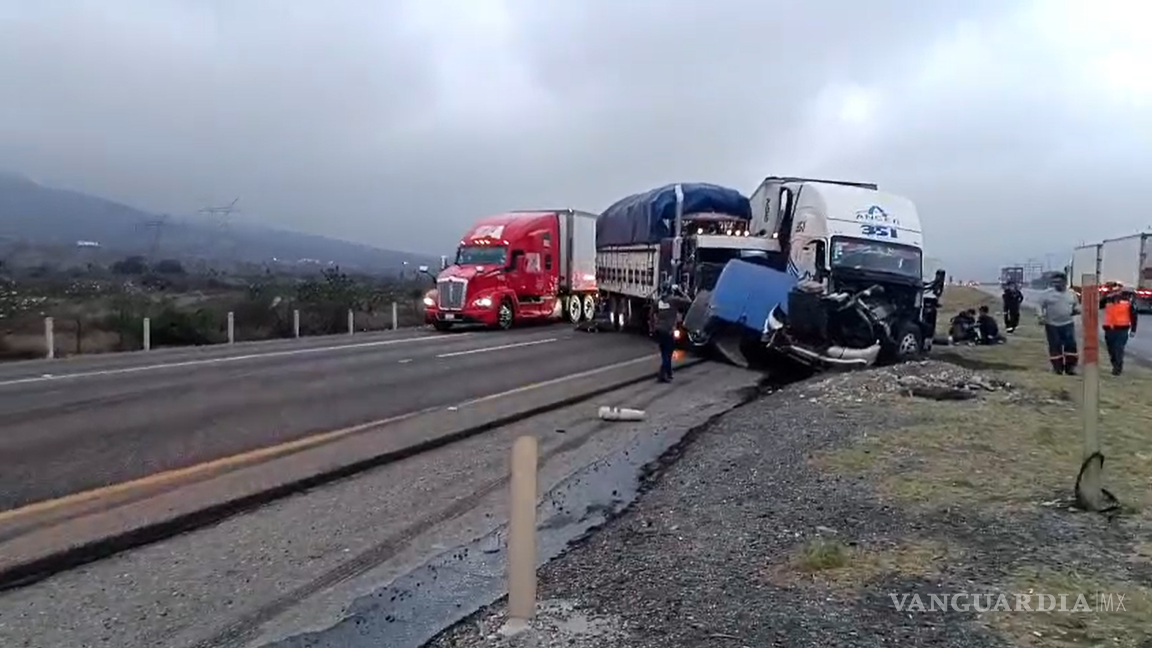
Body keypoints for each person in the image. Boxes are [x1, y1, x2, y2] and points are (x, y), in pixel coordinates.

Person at [1037, 272, 1081, 375]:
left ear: (1065, 282)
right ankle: (1057, 368)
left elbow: (1076, 305)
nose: (1056, 284)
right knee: (1055, 346)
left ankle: (1070, 368)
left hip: (1067, 324)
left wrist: (1076, 310)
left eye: (1059, 282)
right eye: (1054, 282)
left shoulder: (1071, 294)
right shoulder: (1047, 294)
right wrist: (1040, 316)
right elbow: (1039, 305)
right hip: (1052, 325)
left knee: (1070, 346)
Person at [653, 284, 692, 382]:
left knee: (664, 353)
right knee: (668, 353)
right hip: (668, 330)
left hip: (659, 330)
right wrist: (680, 291)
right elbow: (689, 301)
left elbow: (652, 312)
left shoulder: (658, 301)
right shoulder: (673, 300)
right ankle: (662, 374)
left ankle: (669, 373)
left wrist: (652, 326)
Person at [1102, 288, 1138, 376]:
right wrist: (1106, 296)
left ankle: (1117, 368)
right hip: (1109, 329)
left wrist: (1133, 330)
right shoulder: (1108, 301)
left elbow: (1134, 317)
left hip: (1122, 329)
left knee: (1118, 348)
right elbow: (1099, 305)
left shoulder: (1128, 303)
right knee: (1111, 349)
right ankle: (1115, 364)